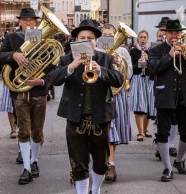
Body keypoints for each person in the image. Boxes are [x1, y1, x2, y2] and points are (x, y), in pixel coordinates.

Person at [50, 19, 123, 194]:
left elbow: (119, 79)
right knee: (78, 162)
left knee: (101, 162)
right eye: (82, 37)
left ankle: (96, 189)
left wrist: (102, 71)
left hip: (100, 118)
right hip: (76, 118)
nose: (87, 40)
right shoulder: (67, 59)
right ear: (75, 40)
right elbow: (54, 79)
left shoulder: (105, 58)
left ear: (96, 41)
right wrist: (71, 66)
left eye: (90, 38)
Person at [0, 8, 49, 185]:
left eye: (31, 20)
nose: (28, 23)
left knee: (38, 132)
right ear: (19, 22)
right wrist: (14, 54)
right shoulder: (11, 38)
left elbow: (54, 67)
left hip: (39, 92)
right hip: (19, 92)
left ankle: (34, 161)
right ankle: (27, 167)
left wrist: (42, 81)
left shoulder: (44, 39)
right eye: (24, 20)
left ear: (36, 23)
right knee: (24, 130)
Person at [148, 19, 186, 182]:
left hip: (185, 96)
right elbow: (153, 69)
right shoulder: (157, 50)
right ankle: (167, 167)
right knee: (162, 133)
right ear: (165, 33)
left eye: (177, 33)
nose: (175, 36)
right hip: (165, 96)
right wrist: (170, 55)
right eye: (172, 33)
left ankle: (179, 160)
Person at [99, 24, 133, 182]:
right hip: (100, 95)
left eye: (110, 34)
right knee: (104, 131)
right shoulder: (97, 51)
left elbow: (130, 72)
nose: (107, 36)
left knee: (113, 131)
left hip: (117, 94)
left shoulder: (123, 51)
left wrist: (119, 66)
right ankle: (105, 161)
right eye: (104, 34)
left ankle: (110, 163)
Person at [153, 17, 178, 159]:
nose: (163, 32)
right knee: (160, 118)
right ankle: (160, 145)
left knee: (174, 119)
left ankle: (171, 145)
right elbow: (154, 67)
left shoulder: (181, 44)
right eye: (162, 30)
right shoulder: (157, 47)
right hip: (161, 86)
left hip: (177, 89)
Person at [129, 30, 155, 141]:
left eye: (145, 37)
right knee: (139, 106)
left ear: (147, 38)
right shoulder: (133, 51)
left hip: (148, 79)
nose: (143, 39)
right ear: (138, 38)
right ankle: (140, 132)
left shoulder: (152, 51)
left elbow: (154, 67)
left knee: (148, 106)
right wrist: (138, 64)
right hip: (138, 78)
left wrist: (148, 61)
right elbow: (131, 69)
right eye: (141, 37)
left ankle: (145, 129)